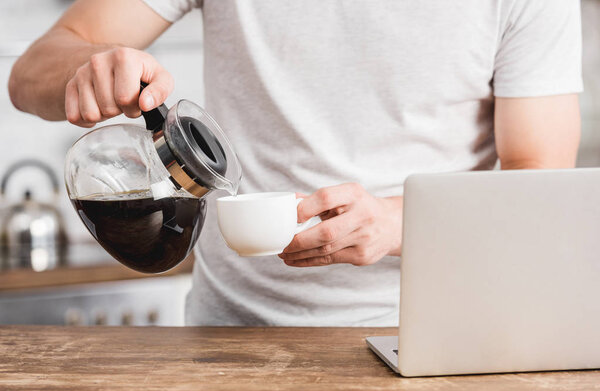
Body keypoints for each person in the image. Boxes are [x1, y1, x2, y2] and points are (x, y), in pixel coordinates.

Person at [9, 0, 582, 326]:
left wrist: (396, 222)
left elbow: (539, 188)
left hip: (429, 339)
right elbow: (30, 72)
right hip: (229, 344)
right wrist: (87, 66)